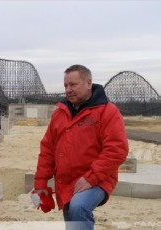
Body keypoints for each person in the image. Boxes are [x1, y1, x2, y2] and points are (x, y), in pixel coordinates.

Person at [34, 64, 128, 230]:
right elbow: (48, 150)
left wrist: (91, 177)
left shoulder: (108, 111)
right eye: (66, 85)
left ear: (88, 83)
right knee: (71, 219)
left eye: (73, 84)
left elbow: (116, 150)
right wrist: (41, 182)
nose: (68, 89)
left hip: (98, 179)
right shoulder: (59, 114)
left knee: (78, 206)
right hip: (65, 181)